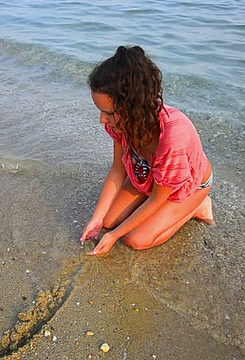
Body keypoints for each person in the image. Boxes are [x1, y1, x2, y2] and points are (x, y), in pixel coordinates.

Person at [80, 45, 215, 255]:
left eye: (108, 113)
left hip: (185, 187)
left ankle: (196, 207)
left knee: (136, 239)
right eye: (100, 111)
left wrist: (114, 236)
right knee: (108, 220)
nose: (102, 120)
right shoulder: (121, 124)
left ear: (133, 107)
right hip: (150, 179)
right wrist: (96, 217)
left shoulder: (172, 137)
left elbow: (158, 199)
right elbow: (118, 169)